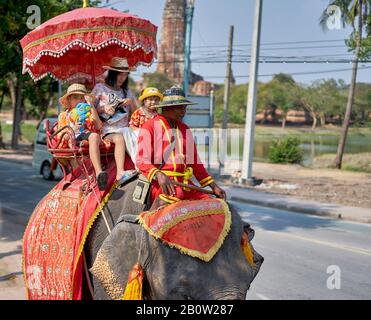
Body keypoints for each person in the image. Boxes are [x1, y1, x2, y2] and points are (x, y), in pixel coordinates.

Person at [136, 86, 226, 208]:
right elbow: (142, 160)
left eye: (185, 107)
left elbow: (195, 163)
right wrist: (159, 175)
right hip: (164, 184)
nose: (184, 111)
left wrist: (214, 186)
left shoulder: (185, 129)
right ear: (167, 108)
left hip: (186, 185)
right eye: (180, 107)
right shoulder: (150, 127)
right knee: (174, 203)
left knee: (212, 204)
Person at [92, 57, 137, 184]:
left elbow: (136, 112)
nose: (122, 78)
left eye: (125, 75)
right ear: (113, 74)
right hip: (108, 130)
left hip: (126, 129)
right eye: (120, 75)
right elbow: (88, 108)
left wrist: (131, 102)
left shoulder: (127, 91)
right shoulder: (100, 88)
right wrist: (103, 109)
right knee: (119, 138)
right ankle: (120, 172)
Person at [58, 83, 108, 190]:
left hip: (87, 138)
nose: (79, 100)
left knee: (94, 135)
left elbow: (99, 127)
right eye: (75, 97)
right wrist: (73, 129)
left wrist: (92, 107)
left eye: (82, 98)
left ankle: (99, 172)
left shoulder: (89, 113)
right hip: (73, 142)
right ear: (69, 100)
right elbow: (61, 138)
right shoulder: (64, 115)